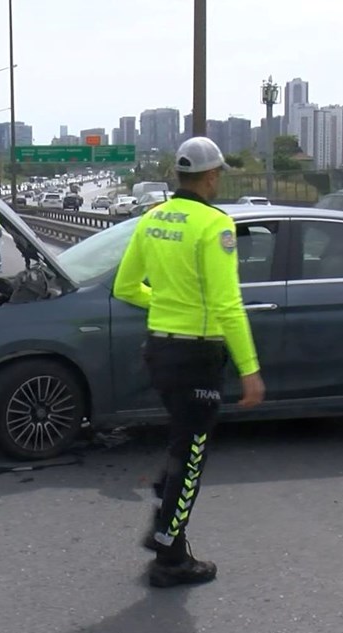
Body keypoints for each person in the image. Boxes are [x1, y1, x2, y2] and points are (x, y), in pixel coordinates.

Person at [112, 136, 266, 589]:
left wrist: (166, 305)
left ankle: (167, 515)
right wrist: (250, 369)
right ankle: (169, 557)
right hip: (197, 355)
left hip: (159, 350)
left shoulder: (152, 218)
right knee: (192, 454)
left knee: (184, 444)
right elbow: (228, 304)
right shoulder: (213, 226)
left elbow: (125, 288)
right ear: (213, 175)